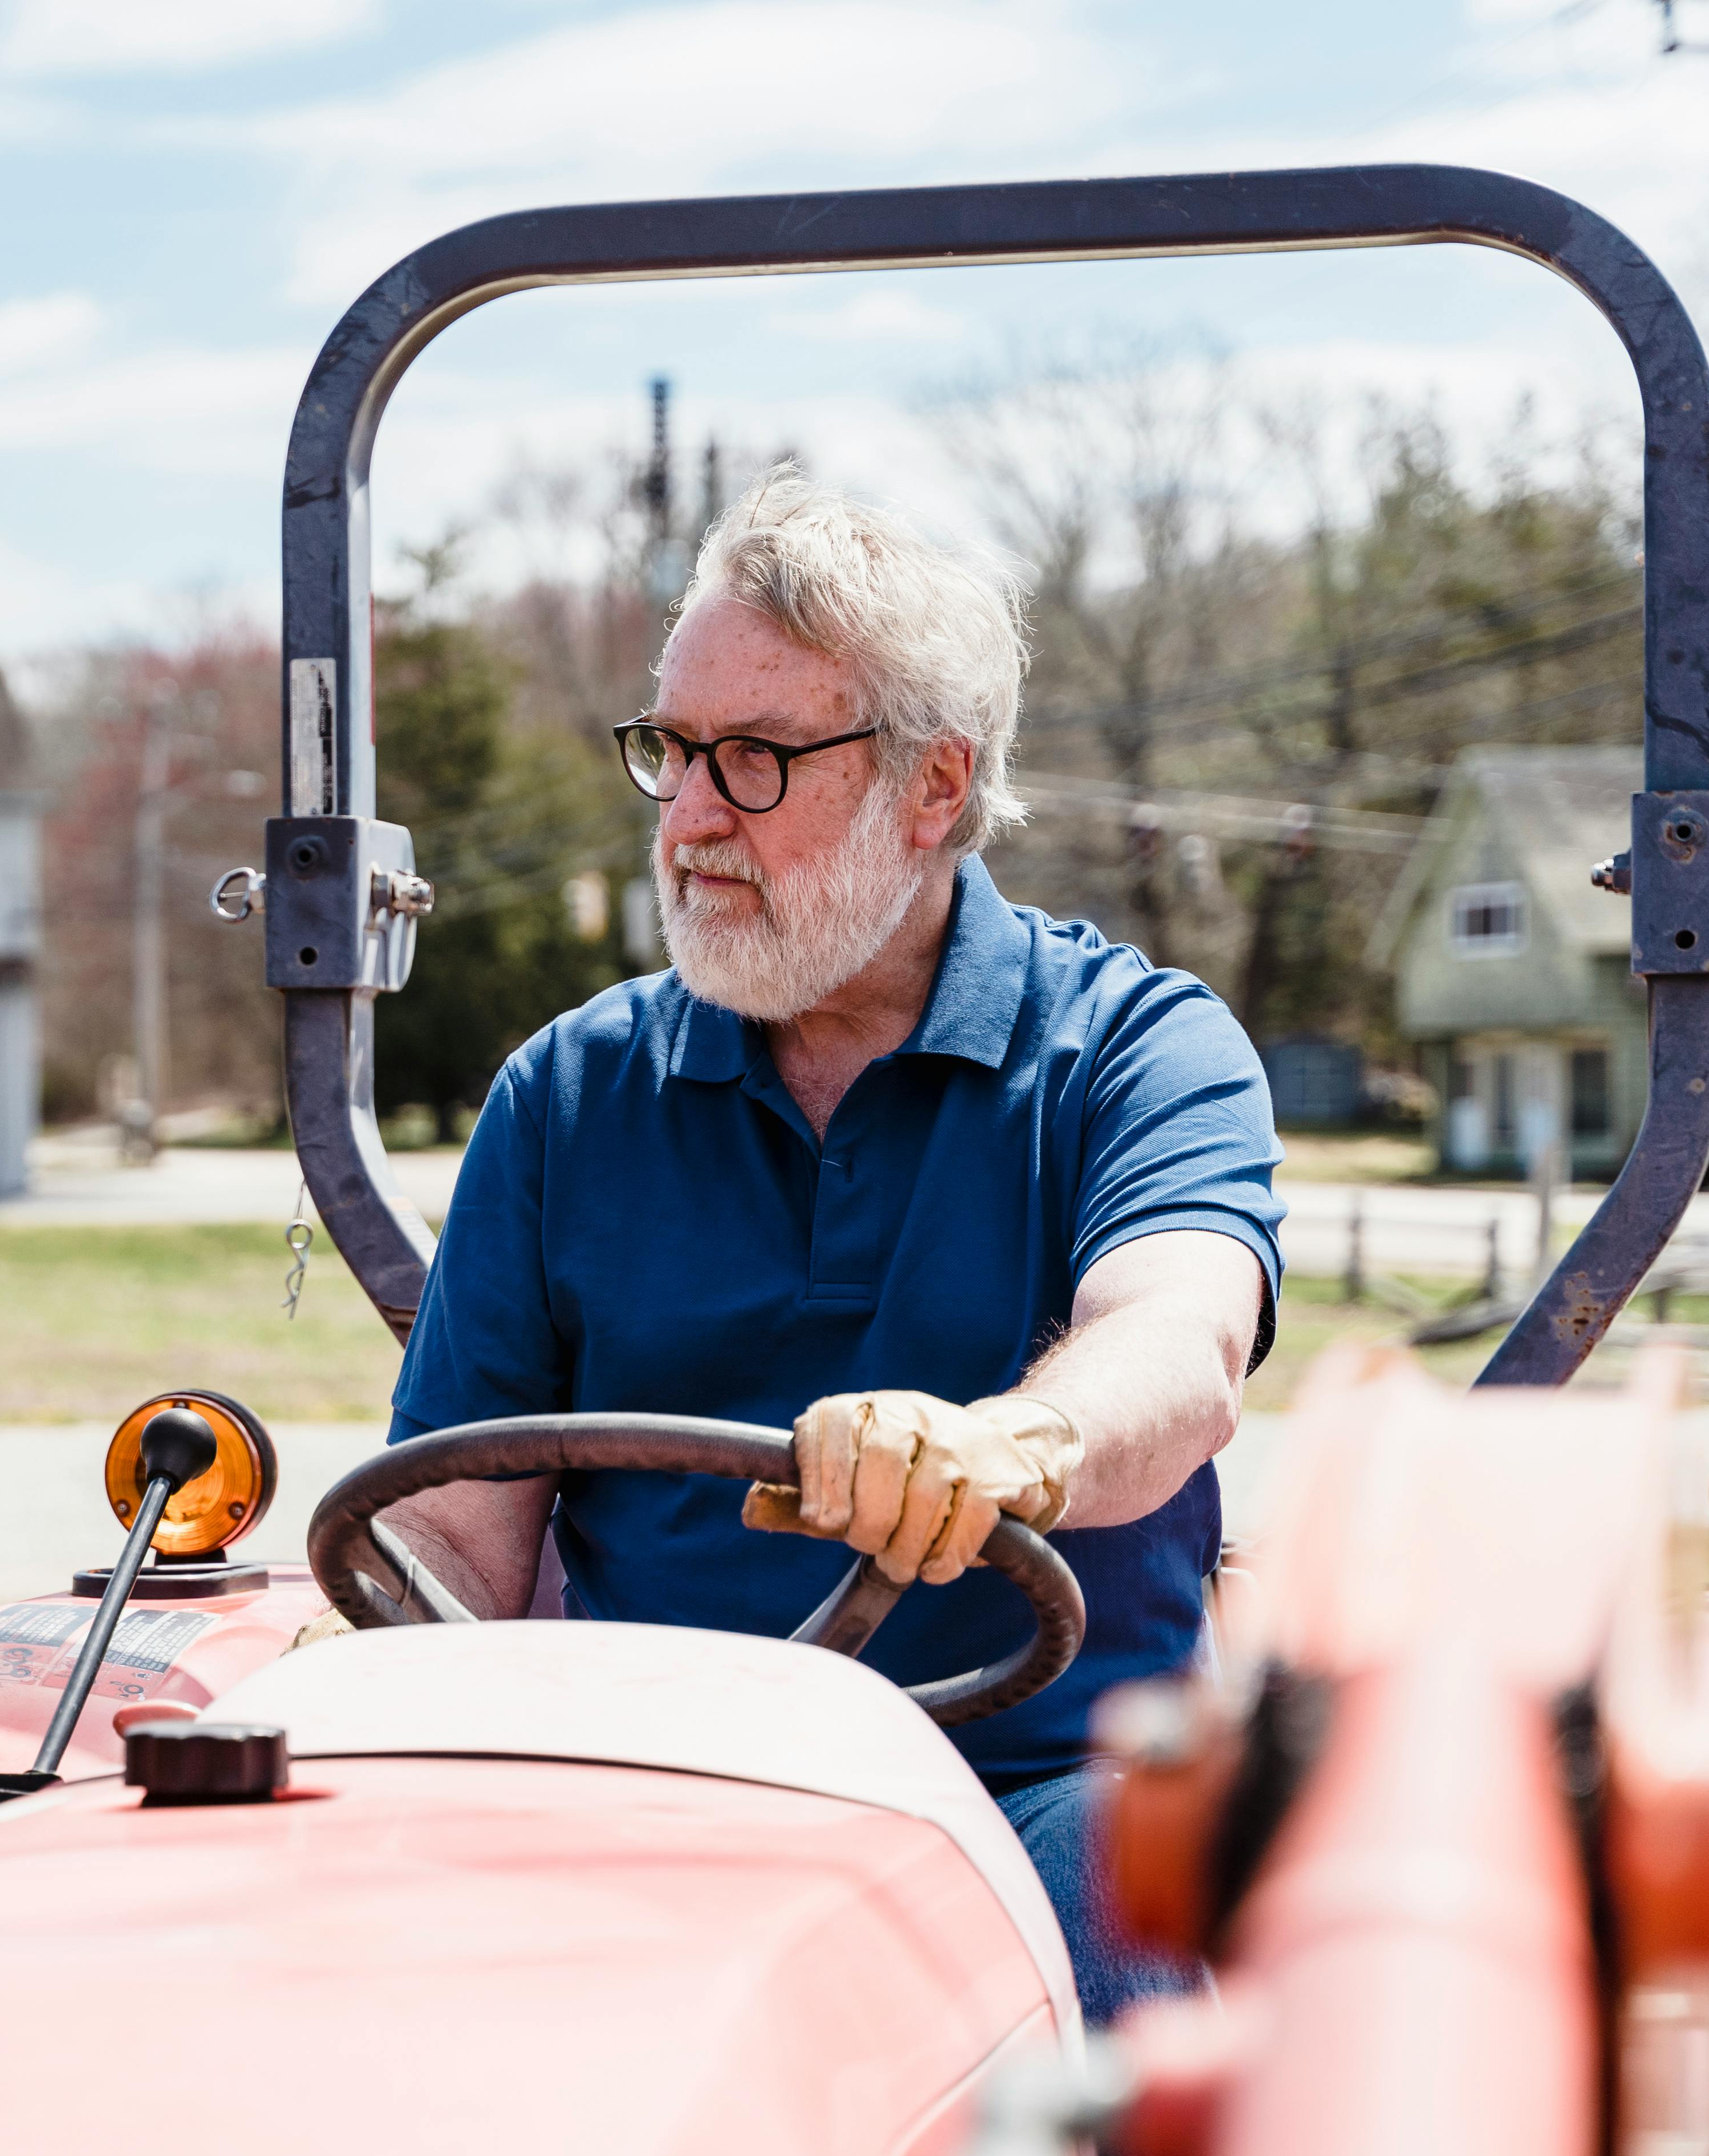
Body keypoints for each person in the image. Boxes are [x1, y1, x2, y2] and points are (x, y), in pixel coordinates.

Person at [372, 470, 1279, 2025]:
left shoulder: (1132, 1047)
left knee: (1119, 2007)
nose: (694, 815)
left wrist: (1006, 1446)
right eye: (672, 750)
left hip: (1039, 1774)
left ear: (934, 788)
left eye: (759, 759)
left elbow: (1179, 1346)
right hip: (655, 1786)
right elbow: (452, 1541)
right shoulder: (569, 1094)